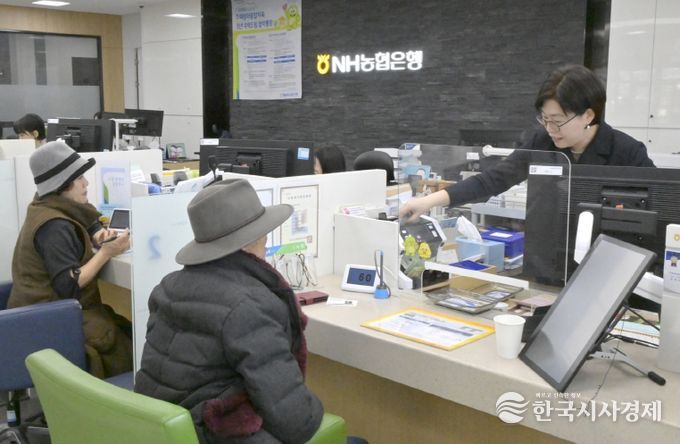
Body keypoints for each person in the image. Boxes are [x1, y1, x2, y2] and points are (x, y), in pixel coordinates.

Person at [135, 179, 324, 443]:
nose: (265, 244)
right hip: (209, 431)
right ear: (248, 242)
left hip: (158, 427)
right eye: (264, 237)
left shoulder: (168, 286)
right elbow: (297, 421)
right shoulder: (251, 306)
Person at [400, 64, 655, 221]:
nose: (550, 129)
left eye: (558, 121)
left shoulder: (627, 152)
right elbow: (493, 180)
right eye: (545, 119)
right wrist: (430, 201)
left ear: (588, 115)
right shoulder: (541, 141)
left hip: (602, 259)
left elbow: (658, 209)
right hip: (545, 255)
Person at [9, 141, 132, 378]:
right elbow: (69, 284)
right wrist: (106, 252)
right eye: (79, 178)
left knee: (122, 326)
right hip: (48, 320)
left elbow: (84, 215)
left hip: (37, 313)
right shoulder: (54, 227)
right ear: (62, 184)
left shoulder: (45, 205)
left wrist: (98, 234)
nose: (86, 183)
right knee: (121, 343)